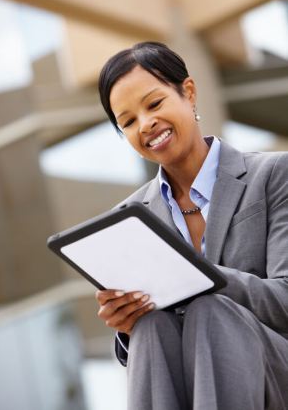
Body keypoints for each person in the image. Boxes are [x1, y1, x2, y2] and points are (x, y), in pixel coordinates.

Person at [95, 41, 288, 410]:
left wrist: (197, 278)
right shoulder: (130, 216)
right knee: (148, 329)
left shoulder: (275, 175)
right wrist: (125, 327)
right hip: (185, 383)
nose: (146, 124)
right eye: (129, 122)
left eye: (154, 104)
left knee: (210, 311)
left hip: (274, 371)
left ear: (189, 92)